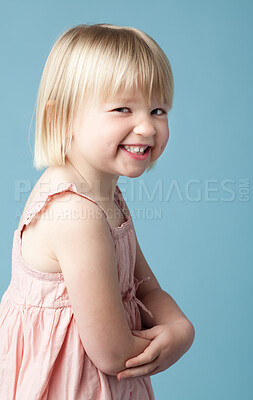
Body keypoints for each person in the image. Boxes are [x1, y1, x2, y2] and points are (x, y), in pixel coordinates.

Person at [0, 23, 195, 399]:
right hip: (71, 385)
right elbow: (113, 353)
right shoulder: (76, 214)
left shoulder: (106, 194)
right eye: (123, 108)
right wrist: (168, 343)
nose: (147, 127)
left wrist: (180, 328)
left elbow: (147, 287)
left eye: (158, 109)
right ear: (62, 116)